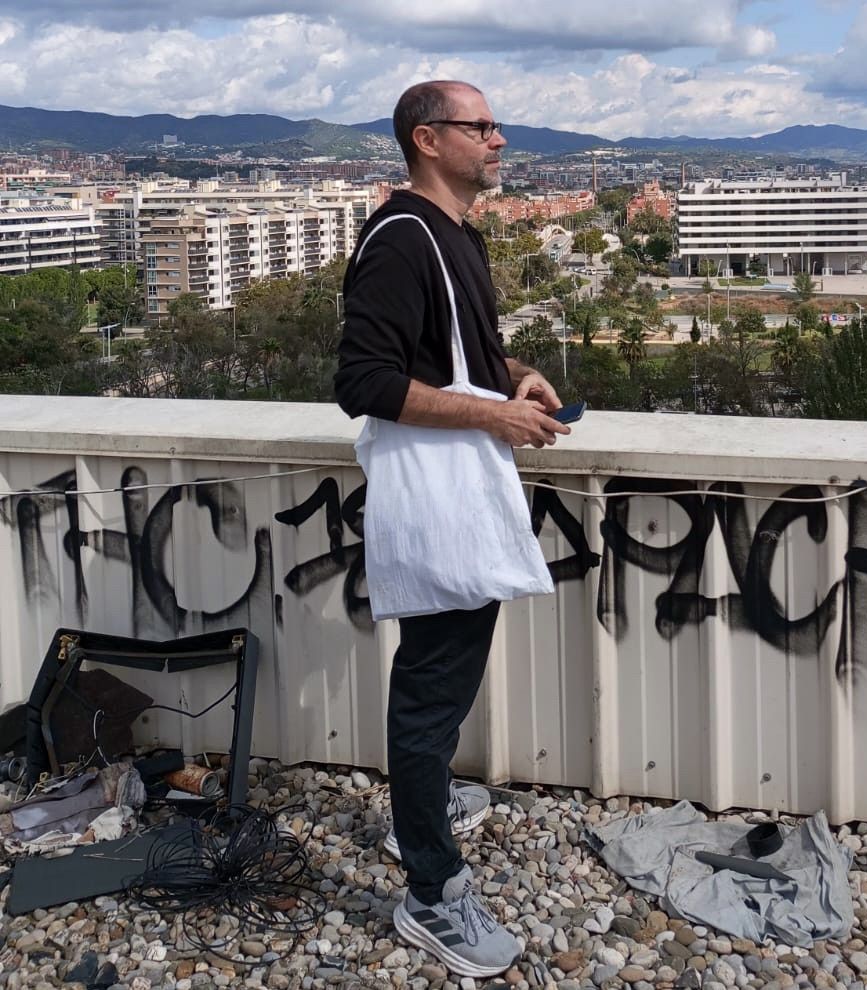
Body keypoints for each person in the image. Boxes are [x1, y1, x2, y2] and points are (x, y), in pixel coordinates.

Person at [333, 80, 570, 978]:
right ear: (428, 140)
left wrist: (512, 373)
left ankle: (421, 806)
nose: (500, 139)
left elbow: (447, 351)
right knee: (431, 690)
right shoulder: (402, 239)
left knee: (446, 672)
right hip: (439, 495)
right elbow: (364, 379)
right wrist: (491, 421)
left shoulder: (452, 235)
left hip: (460, 488)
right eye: (483, 127)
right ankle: (431, 890)